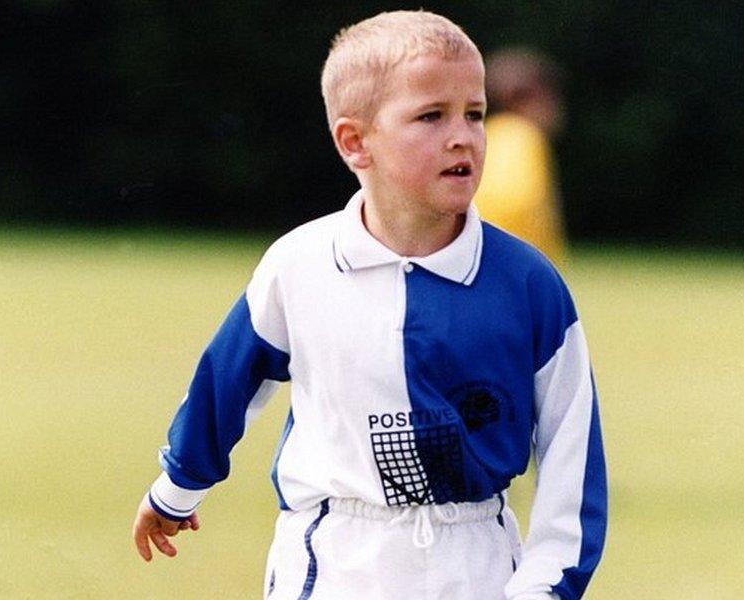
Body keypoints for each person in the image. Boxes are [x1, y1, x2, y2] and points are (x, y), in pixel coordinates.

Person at [131, 10, 606, 600]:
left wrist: (544, 587)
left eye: (475, 114)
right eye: (431, 116)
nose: (462, 135)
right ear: (356, 142)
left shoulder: (530, 284)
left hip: (478, 563)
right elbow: (226, 381)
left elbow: (572, 454)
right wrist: (175, 491)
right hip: (333, 560)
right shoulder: (299, 264)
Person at [474, 48, 567, 264]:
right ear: (532, 98)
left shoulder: (488, 134)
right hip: (512, 260)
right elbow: (521, 201)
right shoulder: (525, 136)